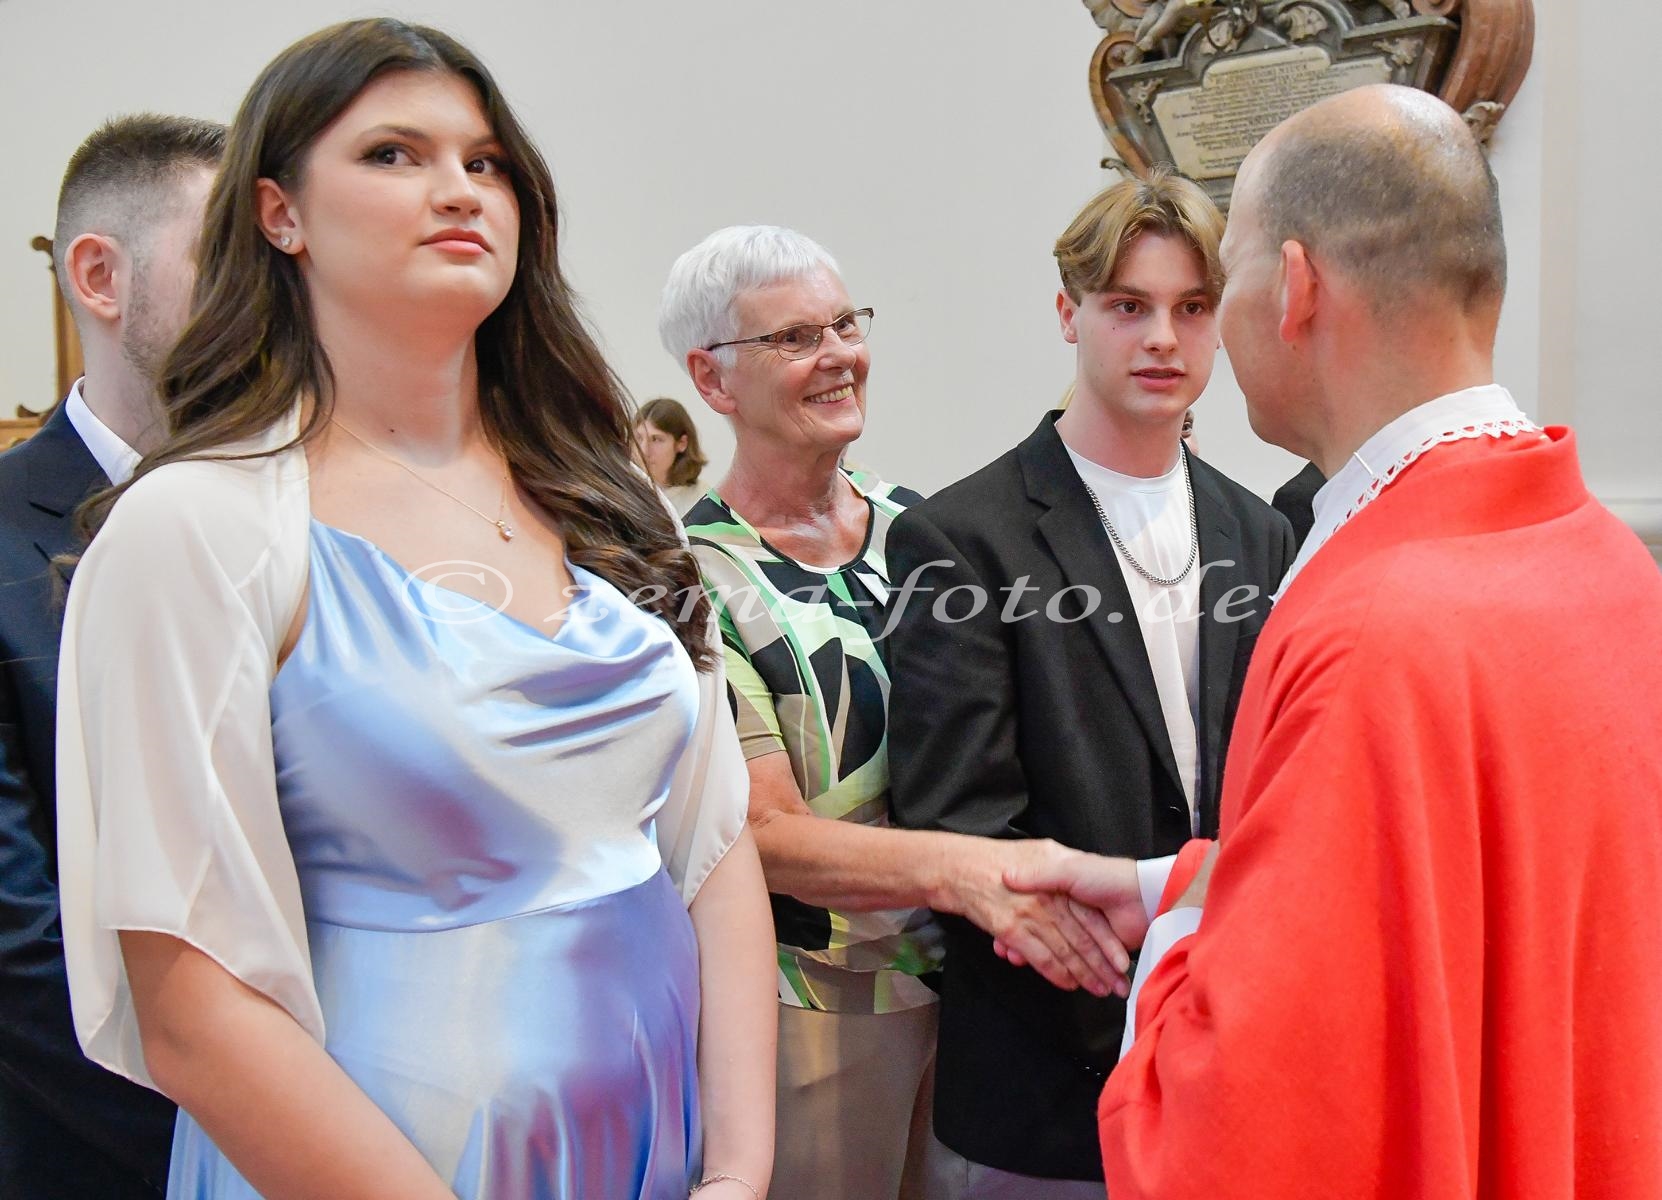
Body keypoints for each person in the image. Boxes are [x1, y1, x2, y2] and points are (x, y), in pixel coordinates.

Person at [54, 20, 774, 1200]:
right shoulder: (199, 528)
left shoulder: (609, 496)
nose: (458, 189)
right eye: (393, 154)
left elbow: (711, 835)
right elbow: (190, 999)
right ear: (279, 213)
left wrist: (740, 1169)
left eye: (486, 162)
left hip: (656, 1133)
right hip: (381, 1157)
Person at [1007, 84, 1662, 1198]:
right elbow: (1476, 893)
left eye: (1226, 283)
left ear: (1296, 288)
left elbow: (1247, 1119)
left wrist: (1179, 943)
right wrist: (1175, 881)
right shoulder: (1604, 557)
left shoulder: (1372, 628)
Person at [660, 225, 1134, 1200]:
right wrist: (971, 872)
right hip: (816, 1008)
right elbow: (763, 834)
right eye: (795, 338)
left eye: (845, 325)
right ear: (712, 379)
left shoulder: (926, 527)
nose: (838, 355)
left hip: (983, 991)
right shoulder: (688, 577)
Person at [883, 172, 1295, 1194]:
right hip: (1045, 1073)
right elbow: (960, 820)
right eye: (1127, 306)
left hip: (1224, 1052)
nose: (1162, 339)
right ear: (1069, 314)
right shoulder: (962, 537)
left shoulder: (1259, 530)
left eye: (1191, 308)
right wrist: (1128, 973)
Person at [0, 112, 222, 1200]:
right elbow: (15, 941)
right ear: (100, 277)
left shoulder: (325, 519)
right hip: (109, 1151)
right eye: (228, 258)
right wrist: (242, 1139)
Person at [635, 395, 710, 514]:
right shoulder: (622, 491)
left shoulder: (702, 501)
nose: (644, 451)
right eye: (639, 438)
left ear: (682, 443)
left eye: (656, 439)